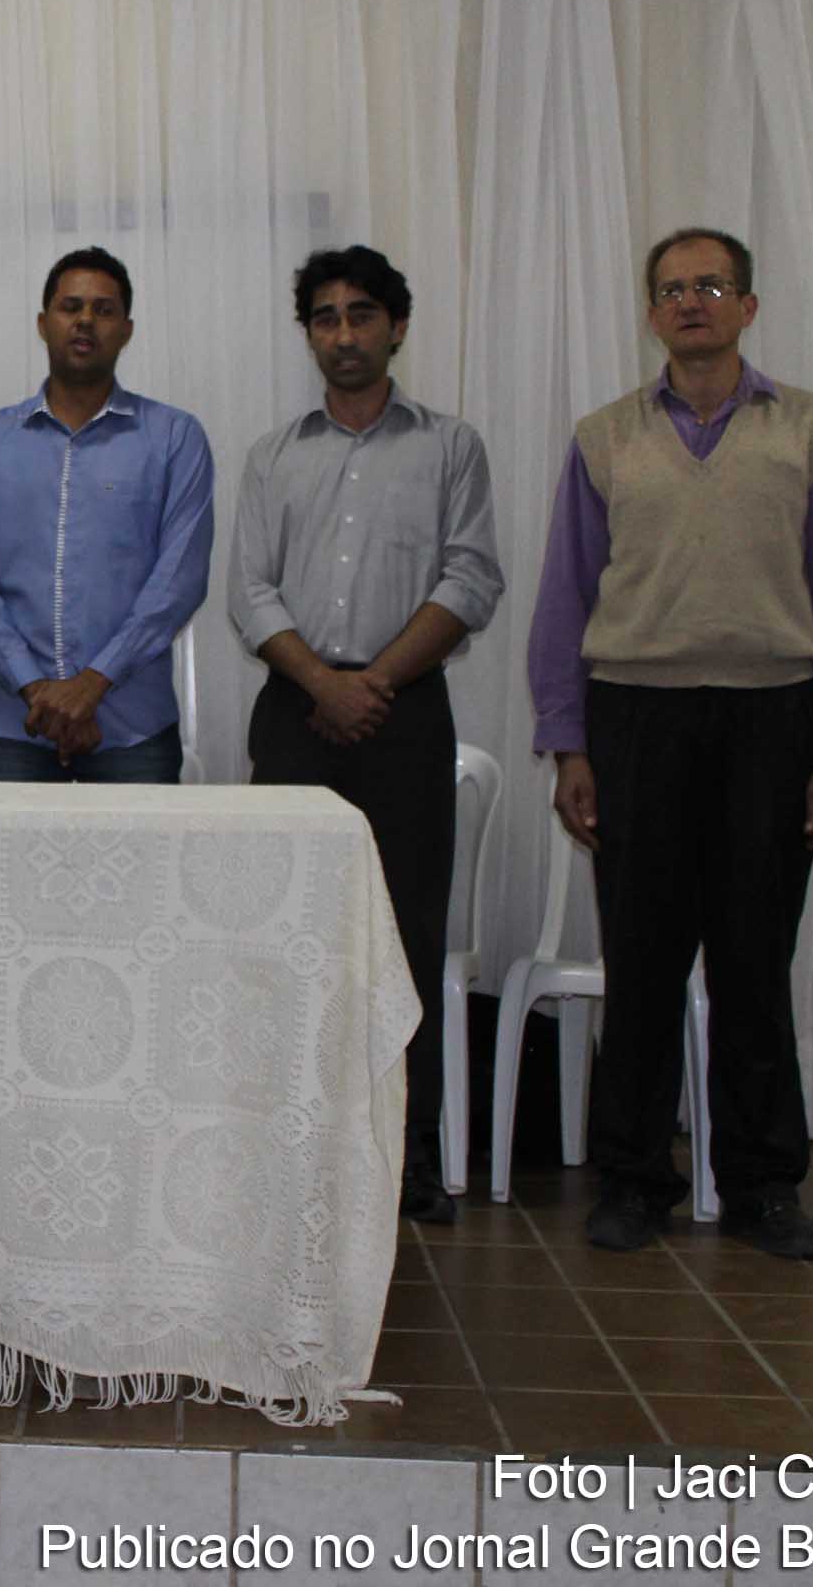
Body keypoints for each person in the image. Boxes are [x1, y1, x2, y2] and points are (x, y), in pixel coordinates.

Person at [526, 227, 813, 1260]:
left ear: (748, 306)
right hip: (636, 716)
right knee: (641, 961)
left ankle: (766, 1185)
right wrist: (569, 745)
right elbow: (566, 601)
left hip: (773, 717)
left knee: (754, 962)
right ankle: (636, 1181)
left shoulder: (810, 429)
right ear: (651, 313)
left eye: (712, 285)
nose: (692, 302)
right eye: (673, 289)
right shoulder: (605, 437)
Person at [228, 245, 505, 1224]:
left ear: (397, 325)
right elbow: (250, 590)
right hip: (296, 711)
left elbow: (469, 581)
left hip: (404, 710)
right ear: (308, 332)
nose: (343, 334)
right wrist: (322, 683)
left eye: (361, 315)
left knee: (406, 933)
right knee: (292, 935)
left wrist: (374, 681)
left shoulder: (449, 446)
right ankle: (291, 1142)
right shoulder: (273, 453)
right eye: (325, 317)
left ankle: (409, 1152)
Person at [0, 247, 213, 782]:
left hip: (132, 729)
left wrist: (93, 684)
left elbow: (176, 584)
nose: (85, 320)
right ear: (43, 324)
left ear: (127, 329)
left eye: (103, 309)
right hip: (18, 726)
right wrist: (38, 691)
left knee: (144, 870)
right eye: (70, 307)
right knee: (7, 870)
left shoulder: (173, 438)